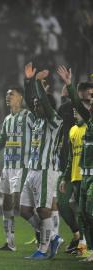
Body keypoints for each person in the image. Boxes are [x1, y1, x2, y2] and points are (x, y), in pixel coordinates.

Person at [20, 64, 63, 260]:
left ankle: (43, 249)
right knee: (24, 210)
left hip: (46, 170)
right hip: (32, 170)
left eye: (39, 105)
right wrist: (29, 81)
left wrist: (37, 82)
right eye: (35, 105)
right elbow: (32, 101)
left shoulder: (54, 120)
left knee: (43, 209)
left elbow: (43, 103)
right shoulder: (36, 120)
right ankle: (53, 236)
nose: (35, 107)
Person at [0, 86, 34, 251]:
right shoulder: (7, 119)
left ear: (20, 97)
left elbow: (40, 133)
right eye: (7, 95)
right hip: (8, 167)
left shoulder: (28, 116)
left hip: (23, 166)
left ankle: (45, 233)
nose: (8, 97)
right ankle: (10, 242)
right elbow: (2, 142)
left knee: (20, 205)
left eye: (12, 94)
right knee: (7, 203)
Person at [57, 65, 93, 262]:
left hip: (91, 176)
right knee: (83, 214)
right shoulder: (87, 124)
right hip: (83, 174)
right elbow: (78, 106)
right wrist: (70, 85)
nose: (90, 105)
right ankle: (86, 248)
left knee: (88, 213)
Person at [59, 108, 90, 256]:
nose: (74, 114)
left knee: (86, 212)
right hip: (75, 177)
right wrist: (65, 177)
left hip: (87, 176)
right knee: (79, 211)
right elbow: (71, 157)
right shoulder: (72, 130)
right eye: (73, 112)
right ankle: (83, 246)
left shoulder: (88, 129)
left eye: (77, 112)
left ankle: (86, 247)